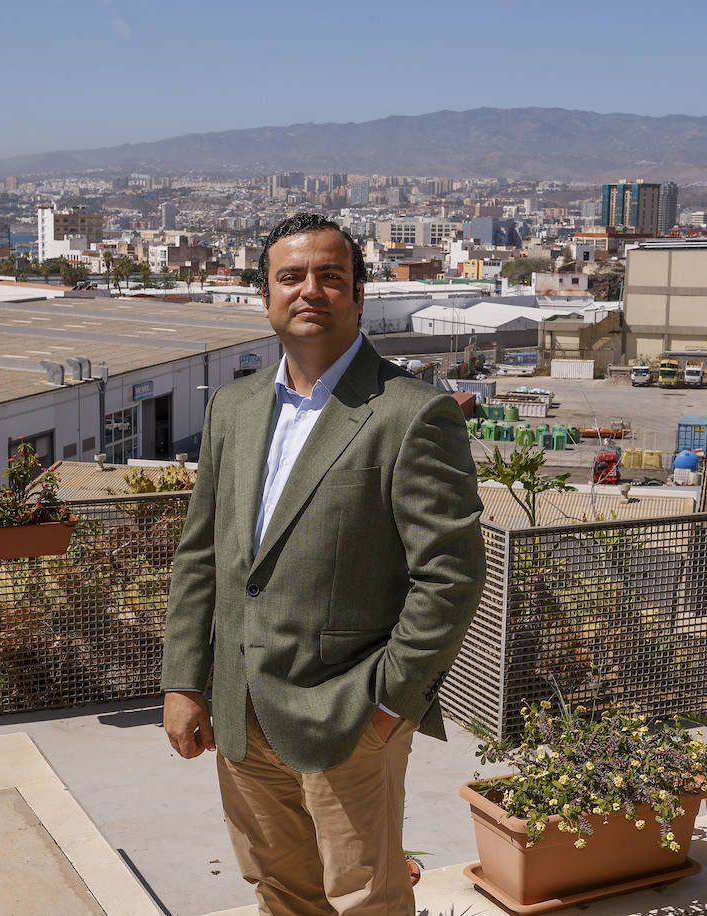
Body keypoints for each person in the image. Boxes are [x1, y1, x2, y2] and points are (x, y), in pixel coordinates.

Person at [162, 212, 484, 913]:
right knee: (280, 888)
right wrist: (185, 680)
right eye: (291, 277)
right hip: (241, 712)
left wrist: (389, 703)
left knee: (364, 897)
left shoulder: (411, 413)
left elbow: (450, 574)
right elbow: (202, 553)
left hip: (348, 716)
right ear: (266, 296)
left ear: (360, 295)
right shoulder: (234, 408)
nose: (311, 290)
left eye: (330, 276)